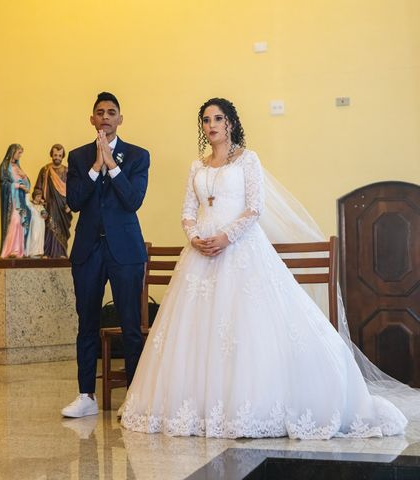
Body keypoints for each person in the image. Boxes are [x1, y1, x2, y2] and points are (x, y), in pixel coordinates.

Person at [120, 97, 408, 439]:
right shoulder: (197, 167)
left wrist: (225, 237)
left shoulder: (248, 160)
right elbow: (187, 210)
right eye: (206, 120)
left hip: (240, 251)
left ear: (230, 123)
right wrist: (195, 236)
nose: (211, 125)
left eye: (217, 118)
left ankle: (251, 406)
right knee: (196, 335)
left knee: (247, 328)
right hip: (200, 256)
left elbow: (255, 208)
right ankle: (200, 410)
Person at [61, 92, 150, 418]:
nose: (106, 117)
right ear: (92, 119)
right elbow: (75, 201)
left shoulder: (138, 156)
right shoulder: (79, 156)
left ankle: (135, 397)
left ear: (120, 119)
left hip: (125, 250)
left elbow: (132, 200)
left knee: (130, 325)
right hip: (88, 250)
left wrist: (111, 166)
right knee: (87, 324)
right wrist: (96, 165)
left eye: (112, 112)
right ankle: (86, 395)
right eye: (100, 112)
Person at [33, 144, 73, 258]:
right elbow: (38, 187)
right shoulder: (45, 170)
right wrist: (38, 196)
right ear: (51, 155)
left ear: (63, 156)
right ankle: (47, 252)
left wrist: (70, 204)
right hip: (49, 205)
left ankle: (61, 252)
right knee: (48, 228)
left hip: (63, 206)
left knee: (62, 229)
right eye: (55, 155)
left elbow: (72, 189)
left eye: (60, 155)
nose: (57, 157)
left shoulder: (67, 171)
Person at [0, 144, 31, 258]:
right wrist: (17, 185)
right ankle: (10, 249)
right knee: (15, 221)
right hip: (11, 201)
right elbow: (4, 184)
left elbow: (27, 186)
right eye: (19, 153)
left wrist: (25, 177)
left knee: (22, 222)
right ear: (12, 152)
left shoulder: (18, 167)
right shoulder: (4, 167)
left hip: (21, 200)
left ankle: (19, 251)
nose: (20, 155)